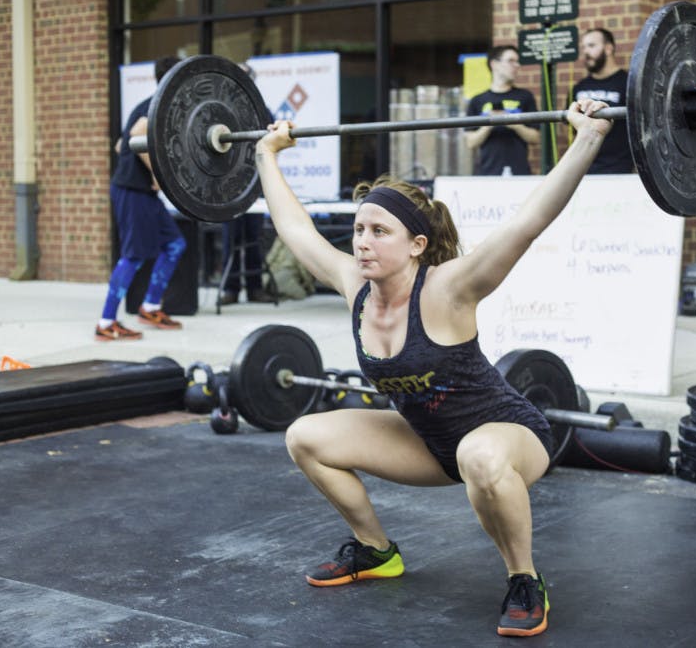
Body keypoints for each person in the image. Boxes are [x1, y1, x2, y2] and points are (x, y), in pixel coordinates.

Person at [253, 97, 613, 637]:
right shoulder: (355, 285)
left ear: (417, 245)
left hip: (508, 437)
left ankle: (524, 579)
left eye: (380, 231)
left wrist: (588, 137)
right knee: (305, 436)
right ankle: (376, 551)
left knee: (479, 454)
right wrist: (267, 153)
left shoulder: (450, 288)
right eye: (359, 229)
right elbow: (295, 228)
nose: (363, 242)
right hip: (431, 445)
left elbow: (529, 222)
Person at [95, 55, 186, 341]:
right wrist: (157, 175)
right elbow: (136, 133)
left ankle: (150, 307)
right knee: (133, 256)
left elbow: (119, 144)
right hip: (132, 191)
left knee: (174, 244)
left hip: (141, 191)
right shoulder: (155, 105)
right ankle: (106, 322)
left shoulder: (157, 104)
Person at [220, 62, 275, 306]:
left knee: (254, 236)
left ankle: (255, 288)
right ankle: (230, 289)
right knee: (230, 237)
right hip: (229, 184)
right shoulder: (222, 107)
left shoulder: (260, 109)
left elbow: (272, 142)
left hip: (253, 181)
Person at [464, 45, 540, 176]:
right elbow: (471, 142)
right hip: (487, 172)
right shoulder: (477, 100)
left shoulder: (525, 96)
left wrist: (514, 123)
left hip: (519, 171)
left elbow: (535, 138)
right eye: (511, 61)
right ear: (494, 64)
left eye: (517, 61)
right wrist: (490, 123)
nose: (516, 65)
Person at [569, 28, 634, 174]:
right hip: (583, 168)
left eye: (591, 46)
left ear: (608, 48)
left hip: (620, 169)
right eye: (583, 47)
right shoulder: (579, 87)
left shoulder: (629, 84)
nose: (586, 52)